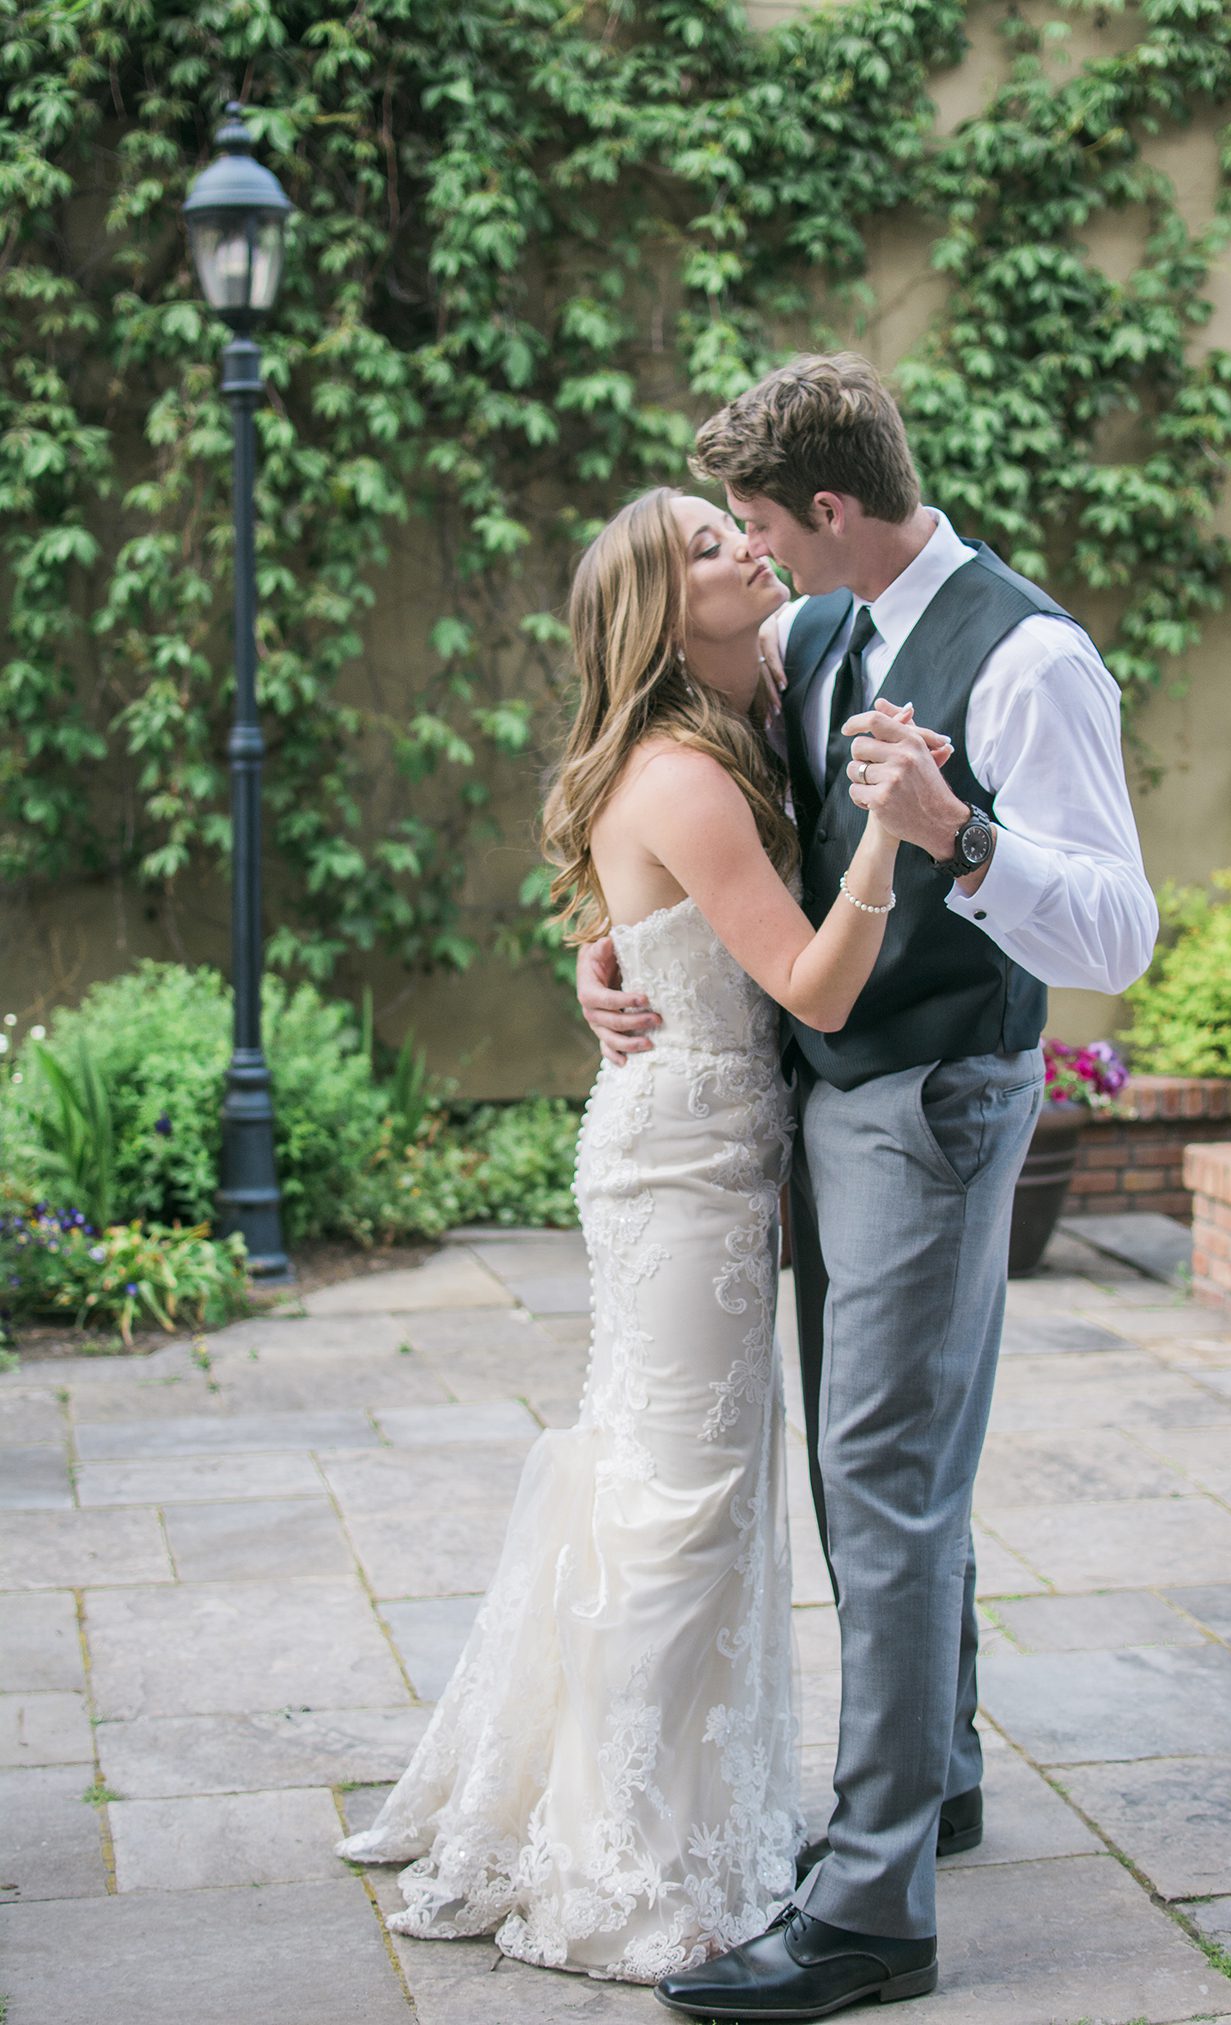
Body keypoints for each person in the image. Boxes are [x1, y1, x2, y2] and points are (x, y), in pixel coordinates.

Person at [577, 355, 1158, 2018]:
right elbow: (656, 780)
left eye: (757, 523)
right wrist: (607, 950)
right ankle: (942, 1766)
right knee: (871, 1465)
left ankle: (869, 1911)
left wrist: (965, 840)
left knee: (885, 1476)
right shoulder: (817, 634)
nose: (749, 550)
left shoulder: (1033, 656)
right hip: (822, 1095)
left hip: (932, 1095)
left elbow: (1119, 932)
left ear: (828, 510)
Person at [336, 484, 948, 1984]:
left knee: (669, 1487)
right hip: (682, 1169)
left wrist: (606, 950)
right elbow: (808, 984)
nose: (742, 546)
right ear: (656, 614)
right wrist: (886, 836)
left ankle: (641, 1804)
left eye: (732, 527)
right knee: (678, 1507)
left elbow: (651, 917)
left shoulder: (774, 682)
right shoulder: (682, 771)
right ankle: (614, 1860)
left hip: (705, 1155)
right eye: (699, 545)